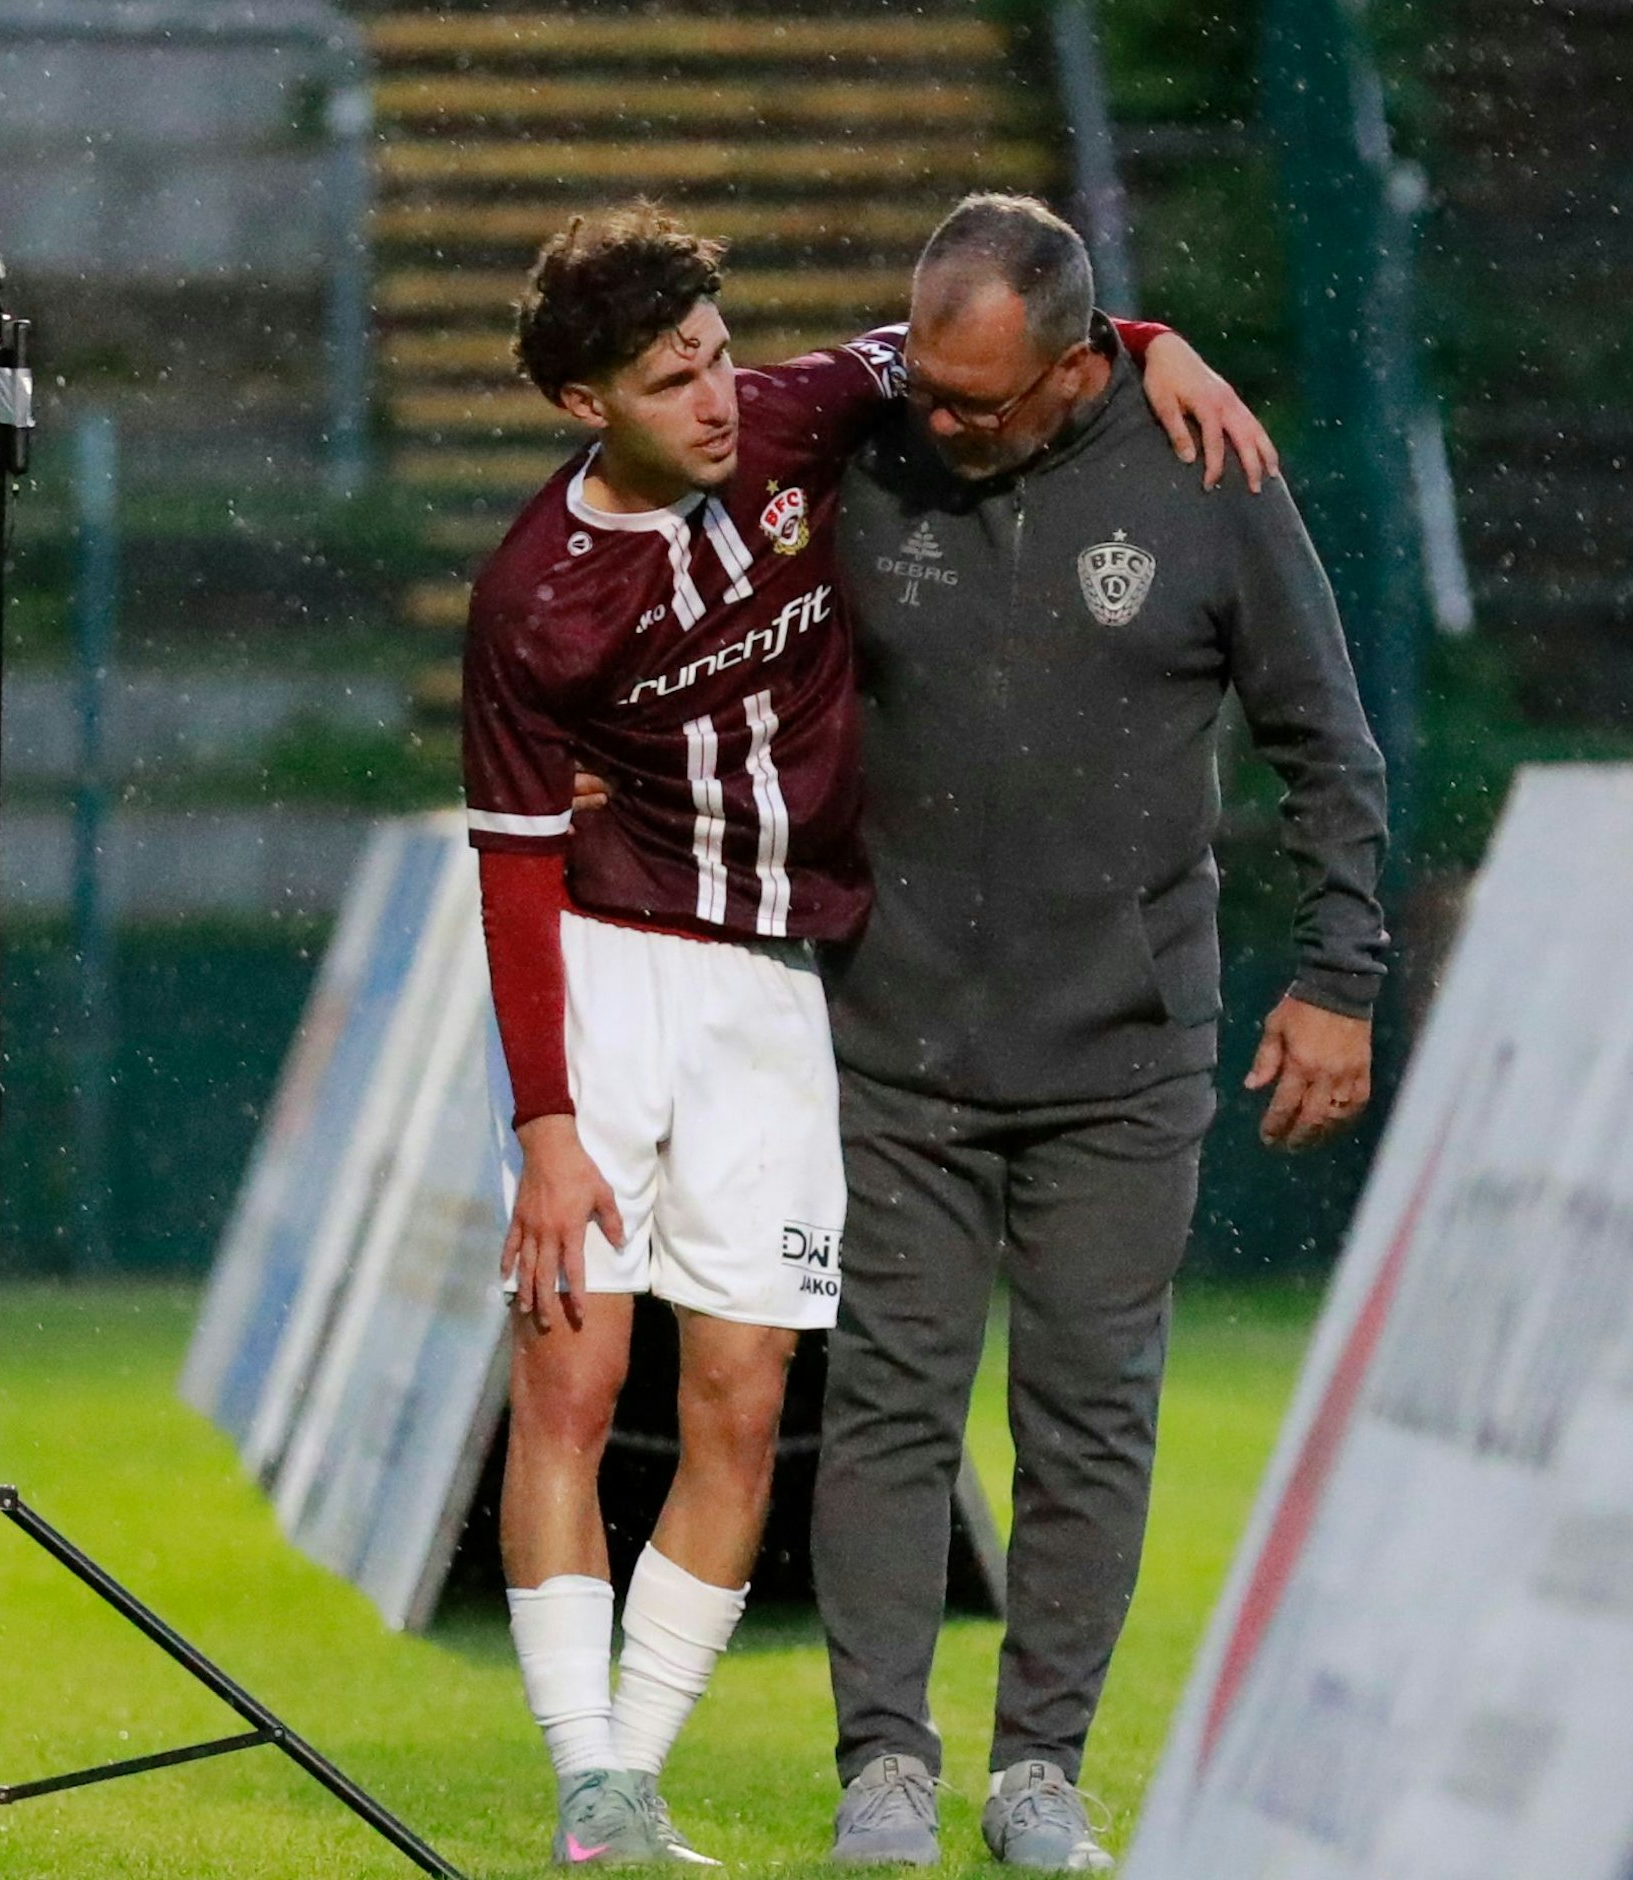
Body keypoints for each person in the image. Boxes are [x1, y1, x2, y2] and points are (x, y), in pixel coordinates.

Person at [461, 200, 1271, 1867]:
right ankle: (584, 1769)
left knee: (744, 1400)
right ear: (584, 406)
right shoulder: (534, 601)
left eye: (716, 356)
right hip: (612, 967)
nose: (714, 398)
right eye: (669, 381)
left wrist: (1150, 343)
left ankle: (639, 1778)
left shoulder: (795, 414)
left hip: (779, 985)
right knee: (573, 1376)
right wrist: (544, 1122)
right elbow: (515, 870)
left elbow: (989, 347)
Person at [812, 194, 1390, 1871]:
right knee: (890, 1406)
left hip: (1123, 1055)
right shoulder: (868, 443)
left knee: (1088, 1419)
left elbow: (1327, 743)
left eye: (977, 399)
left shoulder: (1210, 474)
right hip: (894, 1034)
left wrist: (1341, 977)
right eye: (925, 385)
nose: (940, 422)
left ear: (1077, 370)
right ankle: (883, 1765)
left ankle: (1039, 1774)